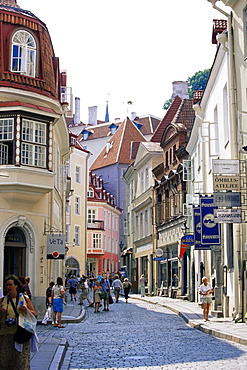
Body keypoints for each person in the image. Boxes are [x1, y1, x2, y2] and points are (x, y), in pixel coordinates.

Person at [0, 274, 36, 369]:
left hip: (21, 334)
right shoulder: (2, 300)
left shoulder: (24, 298)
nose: (8, 287)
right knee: (5, 363)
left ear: (16, 285)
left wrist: (26, 310)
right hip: (5, 335)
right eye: (7, 285)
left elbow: (33, 313)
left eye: (10, 284)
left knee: (21, 363)